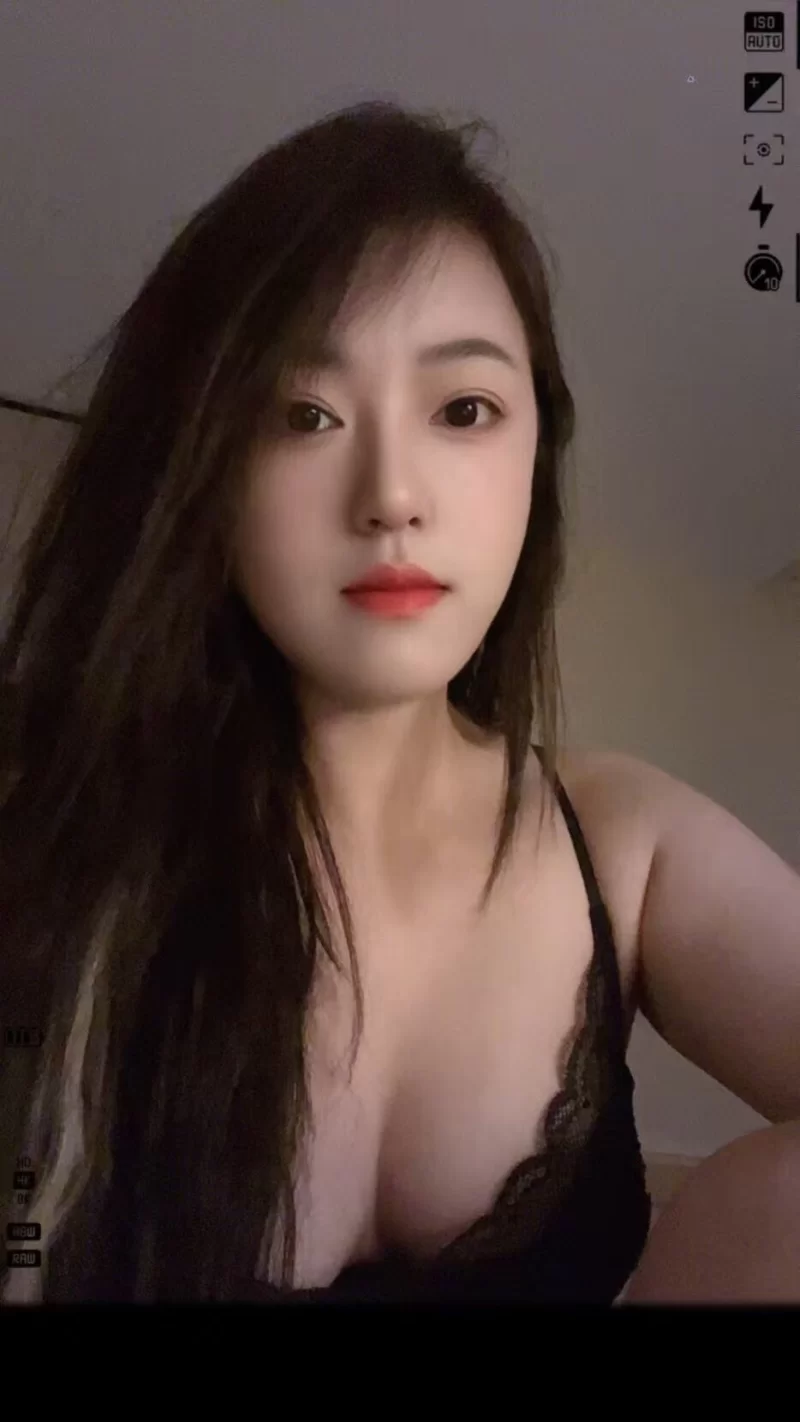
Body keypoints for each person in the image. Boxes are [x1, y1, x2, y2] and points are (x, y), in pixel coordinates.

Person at [1, 100, 798, 1306]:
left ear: (534, 453)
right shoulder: (57, 836)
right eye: (303, 415)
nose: (391, 495)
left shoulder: (625, 843)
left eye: (462, 410)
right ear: (200, 468)